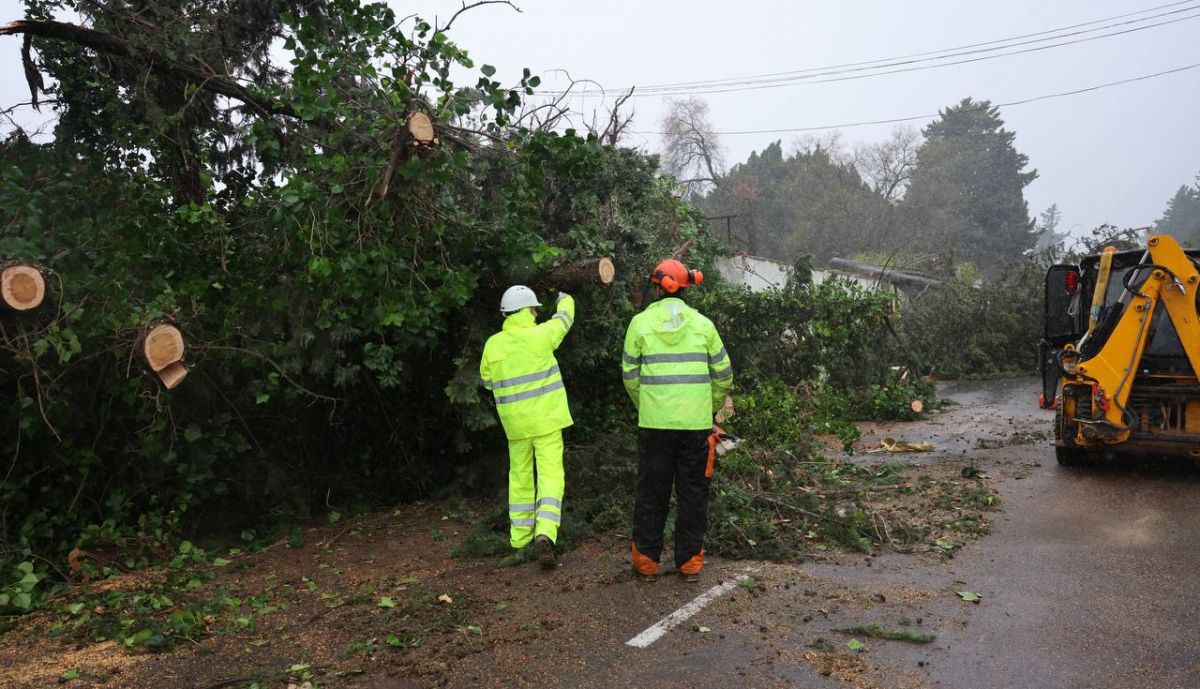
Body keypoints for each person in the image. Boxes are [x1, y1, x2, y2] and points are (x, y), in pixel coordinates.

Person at [622, 259, 733, 582]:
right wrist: (709, 408)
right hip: (696, 427)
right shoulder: (703, 325)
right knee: (693, 492)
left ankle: (645, 561)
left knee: (652, 490)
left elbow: (629, 376)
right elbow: (724, 376)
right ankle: (689, 563)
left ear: (658, 287)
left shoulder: (639, 324)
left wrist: (648, 405)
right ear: (686, 287)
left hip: (654, 425)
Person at [480, 285, 575, 568]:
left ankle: (519, 540)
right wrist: (565, 298)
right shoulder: (541, 335)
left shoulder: (493, 345)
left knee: (519, 478)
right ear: (530, 310)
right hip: (547, 420)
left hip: (515, 426)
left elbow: (487, 381)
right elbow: (564, 319)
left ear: (506, 313)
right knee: (550, 476)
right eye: (535, 308)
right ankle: (545, 532)